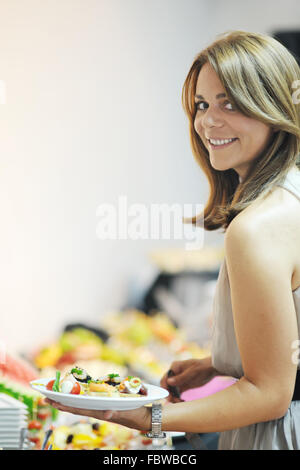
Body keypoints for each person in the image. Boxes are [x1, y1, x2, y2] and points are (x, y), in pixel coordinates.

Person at [46, 30, 300, 450]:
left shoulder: (255, 228)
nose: (208, 121)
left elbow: (270, 396)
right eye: (202, 104)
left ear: (274, 107)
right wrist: (217, 364)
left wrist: (148, 416)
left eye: (230, 103)